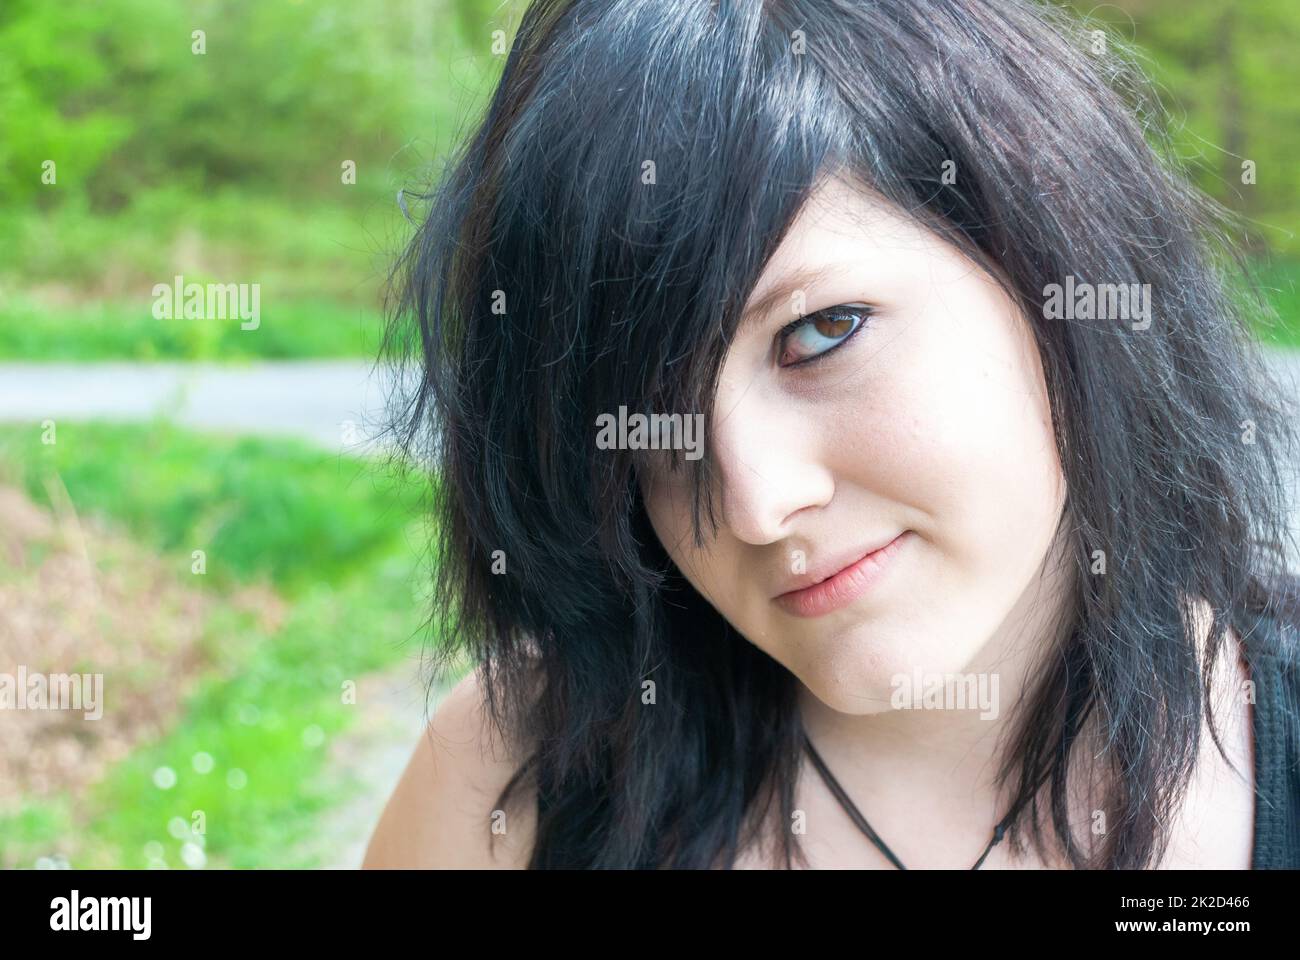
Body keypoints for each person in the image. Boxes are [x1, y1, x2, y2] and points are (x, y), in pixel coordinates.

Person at [363, 0, 1300, 869]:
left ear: (1051, 259)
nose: (758, 504)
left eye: (821, 332)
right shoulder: (511, 781)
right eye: (654, 421)